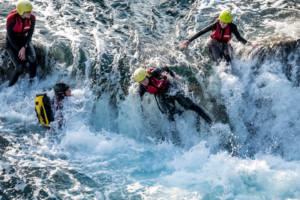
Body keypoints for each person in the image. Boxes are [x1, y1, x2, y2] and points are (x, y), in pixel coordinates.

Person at [134, 67, 213, 125]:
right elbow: (139, 99)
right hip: (161, 95)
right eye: (141, 82)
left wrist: (174, 76)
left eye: (144, 80)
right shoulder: (142, 87)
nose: (143, 82)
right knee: (171, 118)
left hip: (171, 87)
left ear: (147, 76)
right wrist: (143, 111)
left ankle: (211, 123)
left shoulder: (155, 73)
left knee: (191, 105)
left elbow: (166, 68)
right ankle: (178, 141)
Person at [180, 11, 262, 65]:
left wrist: (251, 44)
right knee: (219, 62)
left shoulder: (232, 27)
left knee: (229, 62)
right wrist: (188, 41)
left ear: (229, 23)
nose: (222, 24)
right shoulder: (215, 25)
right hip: (214, 43)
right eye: (221, 22)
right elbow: (201, 32)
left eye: (225, 23)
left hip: (225, 43)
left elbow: (239, 38)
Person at [6, 0, 37, 86]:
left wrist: (24, 47)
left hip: (24, 40)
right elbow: (10, 37)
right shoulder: (11, 18)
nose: (30, 13)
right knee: (19, 67)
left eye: (30, 11)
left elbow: (30, 35)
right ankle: (10, 87)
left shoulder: (32, 18)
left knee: (32, 58)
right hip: (12, 43)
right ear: (20, 11)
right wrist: (19, 50)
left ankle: (32, 83)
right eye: (27, 11)